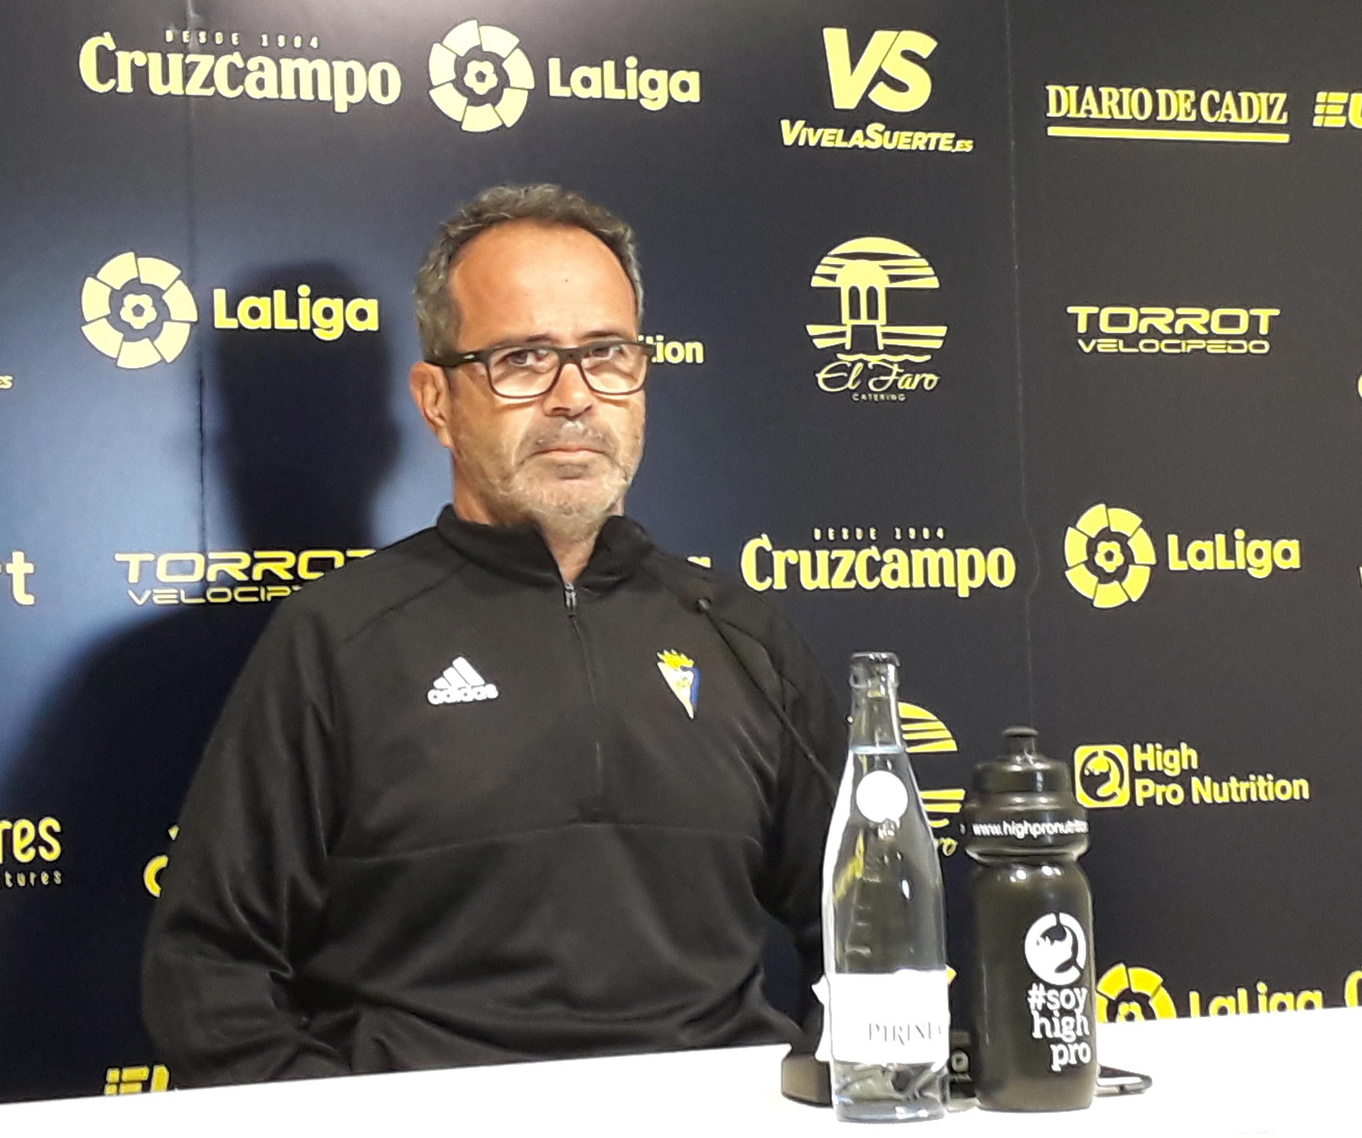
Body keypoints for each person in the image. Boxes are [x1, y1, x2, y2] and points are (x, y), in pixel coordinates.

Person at [141, 184, 847, 1084]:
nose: (572, 397)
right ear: (436, 401)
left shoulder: (740, 635)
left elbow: (872, 920)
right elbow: (206, 970)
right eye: (522, 359)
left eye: (606, 354)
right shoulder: (338, 637)